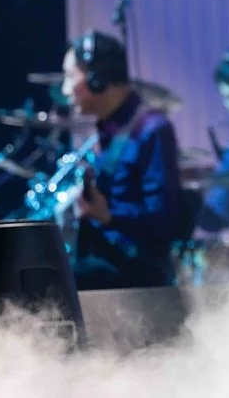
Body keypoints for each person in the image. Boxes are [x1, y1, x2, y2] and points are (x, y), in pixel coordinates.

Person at [61, 29, 184, 290]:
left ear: (96, 78)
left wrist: (109, 216)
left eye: (71, 76)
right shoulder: (107, 130)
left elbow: (164, 218)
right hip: (107, 265)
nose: (65, 89)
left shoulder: (151, 129)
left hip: (134, 277)